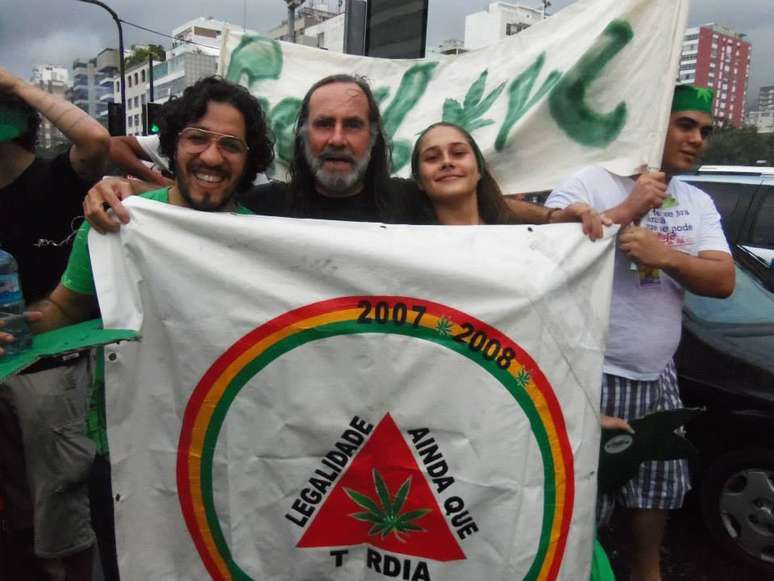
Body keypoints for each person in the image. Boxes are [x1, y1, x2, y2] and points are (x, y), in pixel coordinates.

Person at [0, 75, 273, 580]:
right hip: (130, 460)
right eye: (197, 137)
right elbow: (61, 310)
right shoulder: (118, 222)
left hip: (232, 457)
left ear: (249, 159)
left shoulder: (266, 243)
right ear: (172, 145)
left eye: (231, 145)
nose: (212, 157)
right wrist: (11, 329)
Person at [545, 85, 735, 581]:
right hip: (591, 370)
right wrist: (627, 208)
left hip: (658, 374)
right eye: (685, 125)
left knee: (656, 488)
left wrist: (666, 255)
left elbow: (723, 280)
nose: (698, 139)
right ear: (655, 124)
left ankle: (647, 572)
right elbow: (547, 253)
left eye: (706, 131)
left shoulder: (696, 201)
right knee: (580, 499)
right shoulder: (589, 182)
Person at [83, 74, 601, 232]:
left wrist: (557, 216)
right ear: (303, 134)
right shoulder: (261, 209)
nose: (336, 138)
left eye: (353, 125)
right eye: (323, 124)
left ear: (374, 139)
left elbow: (489, 209)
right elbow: (186, 207)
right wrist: (122, 190)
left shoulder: (412, 204)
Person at [0, 64, 110, 581]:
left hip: (56, 370)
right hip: (4, 368)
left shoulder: (55, 176)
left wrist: (18, 85)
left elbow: (93, 138)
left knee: (63, 514)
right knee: (22, 516)